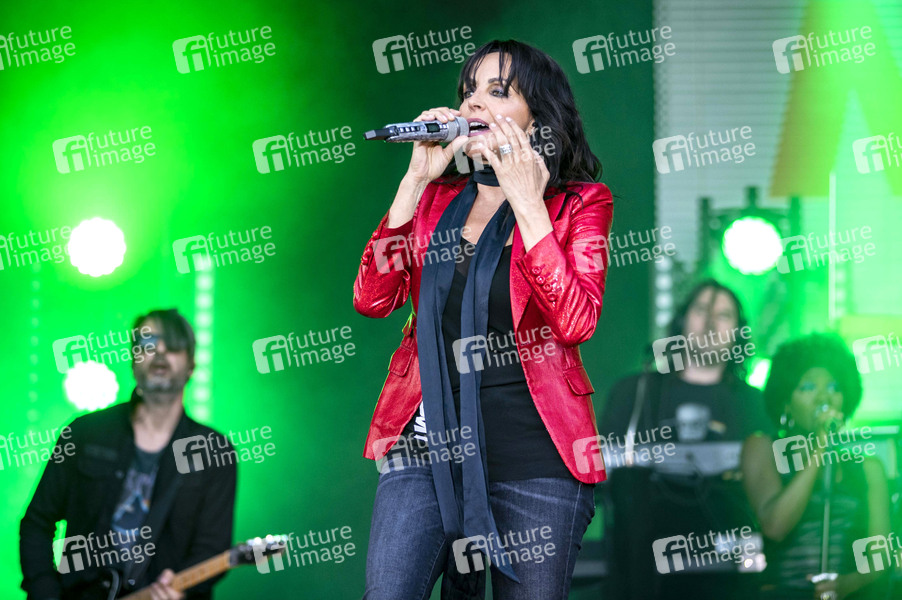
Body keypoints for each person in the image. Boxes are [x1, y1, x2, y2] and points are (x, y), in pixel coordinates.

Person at [353, 39, 614, 599]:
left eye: (497, 91)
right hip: (427, 448)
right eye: (469, 91)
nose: (473, 103)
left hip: (535, 458)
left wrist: (529, 204)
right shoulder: (436, 199)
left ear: (537, 117)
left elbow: (575, 321)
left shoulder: (580, 203)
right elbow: (373, 298)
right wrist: (414, 181)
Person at [20, 309, 237, 600]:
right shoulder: (84, 433)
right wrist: (45, 593)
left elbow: (212, 548)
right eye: (148, 343)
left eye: (173, 345)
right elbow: (37, 522)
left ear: (192, 365)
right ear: (133, 360)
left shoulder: (213, 450)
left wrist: (182, 588)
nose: (160, 352)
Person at [599, 279, 773, 599]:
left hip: (730, 553)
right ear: (682, 322)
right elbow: (602, 471)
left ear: (738, 333)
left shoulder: (754, 403)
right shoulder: (636, 393)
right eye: (701, 310)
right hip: (645, 553)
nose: (710, 323)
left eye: (723, 315)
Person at [741, 333, 891, 600]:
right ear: (786, 403)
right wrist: (820, 446)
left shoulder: (868, 468)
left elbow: (880, 557)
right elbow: (775, 526)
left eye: (834, 387)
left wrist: (847, 584)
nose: (824, 396)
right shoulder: (761, 447)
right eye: (808, 387)